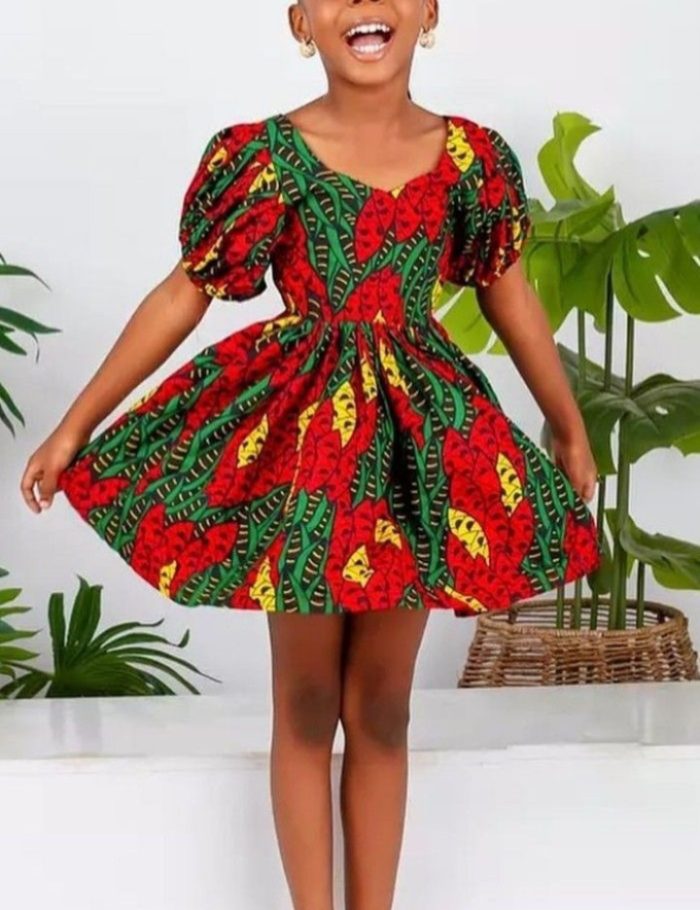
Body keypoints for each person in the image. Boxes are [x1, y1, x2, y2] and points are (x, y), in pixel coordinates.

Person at [20, 1, 602, 907]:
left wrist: (566, 423)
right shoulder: (264, 155)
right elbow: (184, 293)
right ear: (300, 22)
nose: (364, 4)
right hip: (306, 451)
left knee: (381, 705)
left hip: (414, 449)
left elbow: (508, 292)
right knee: (304, 702)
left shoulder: (472, 159)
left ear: (430, 12)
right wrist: (74, 427)